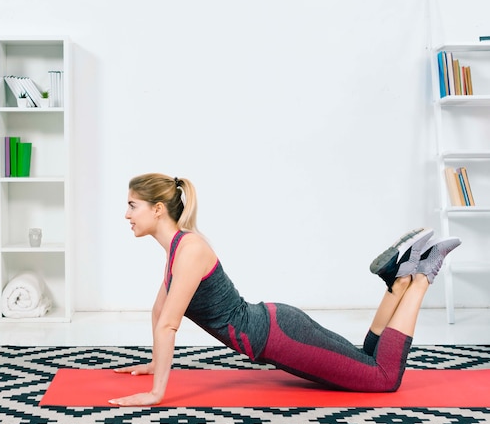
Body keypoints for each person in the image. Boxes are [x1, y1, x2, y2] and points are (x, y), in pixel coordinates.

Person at [108, 173, 461, 406]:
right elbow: (160, 313)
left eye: (132, 205)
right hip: (279, 326)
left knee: (383, 378)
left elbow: (170, 324)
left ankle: (422, 275)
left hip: (280, 338)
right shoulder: (178, 249)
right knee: (367, 359)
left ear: (157, 209)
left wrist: (157, 394)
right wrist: (156, 363)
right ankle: (396, 281)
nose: (126, 214)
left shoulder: (189, 250)